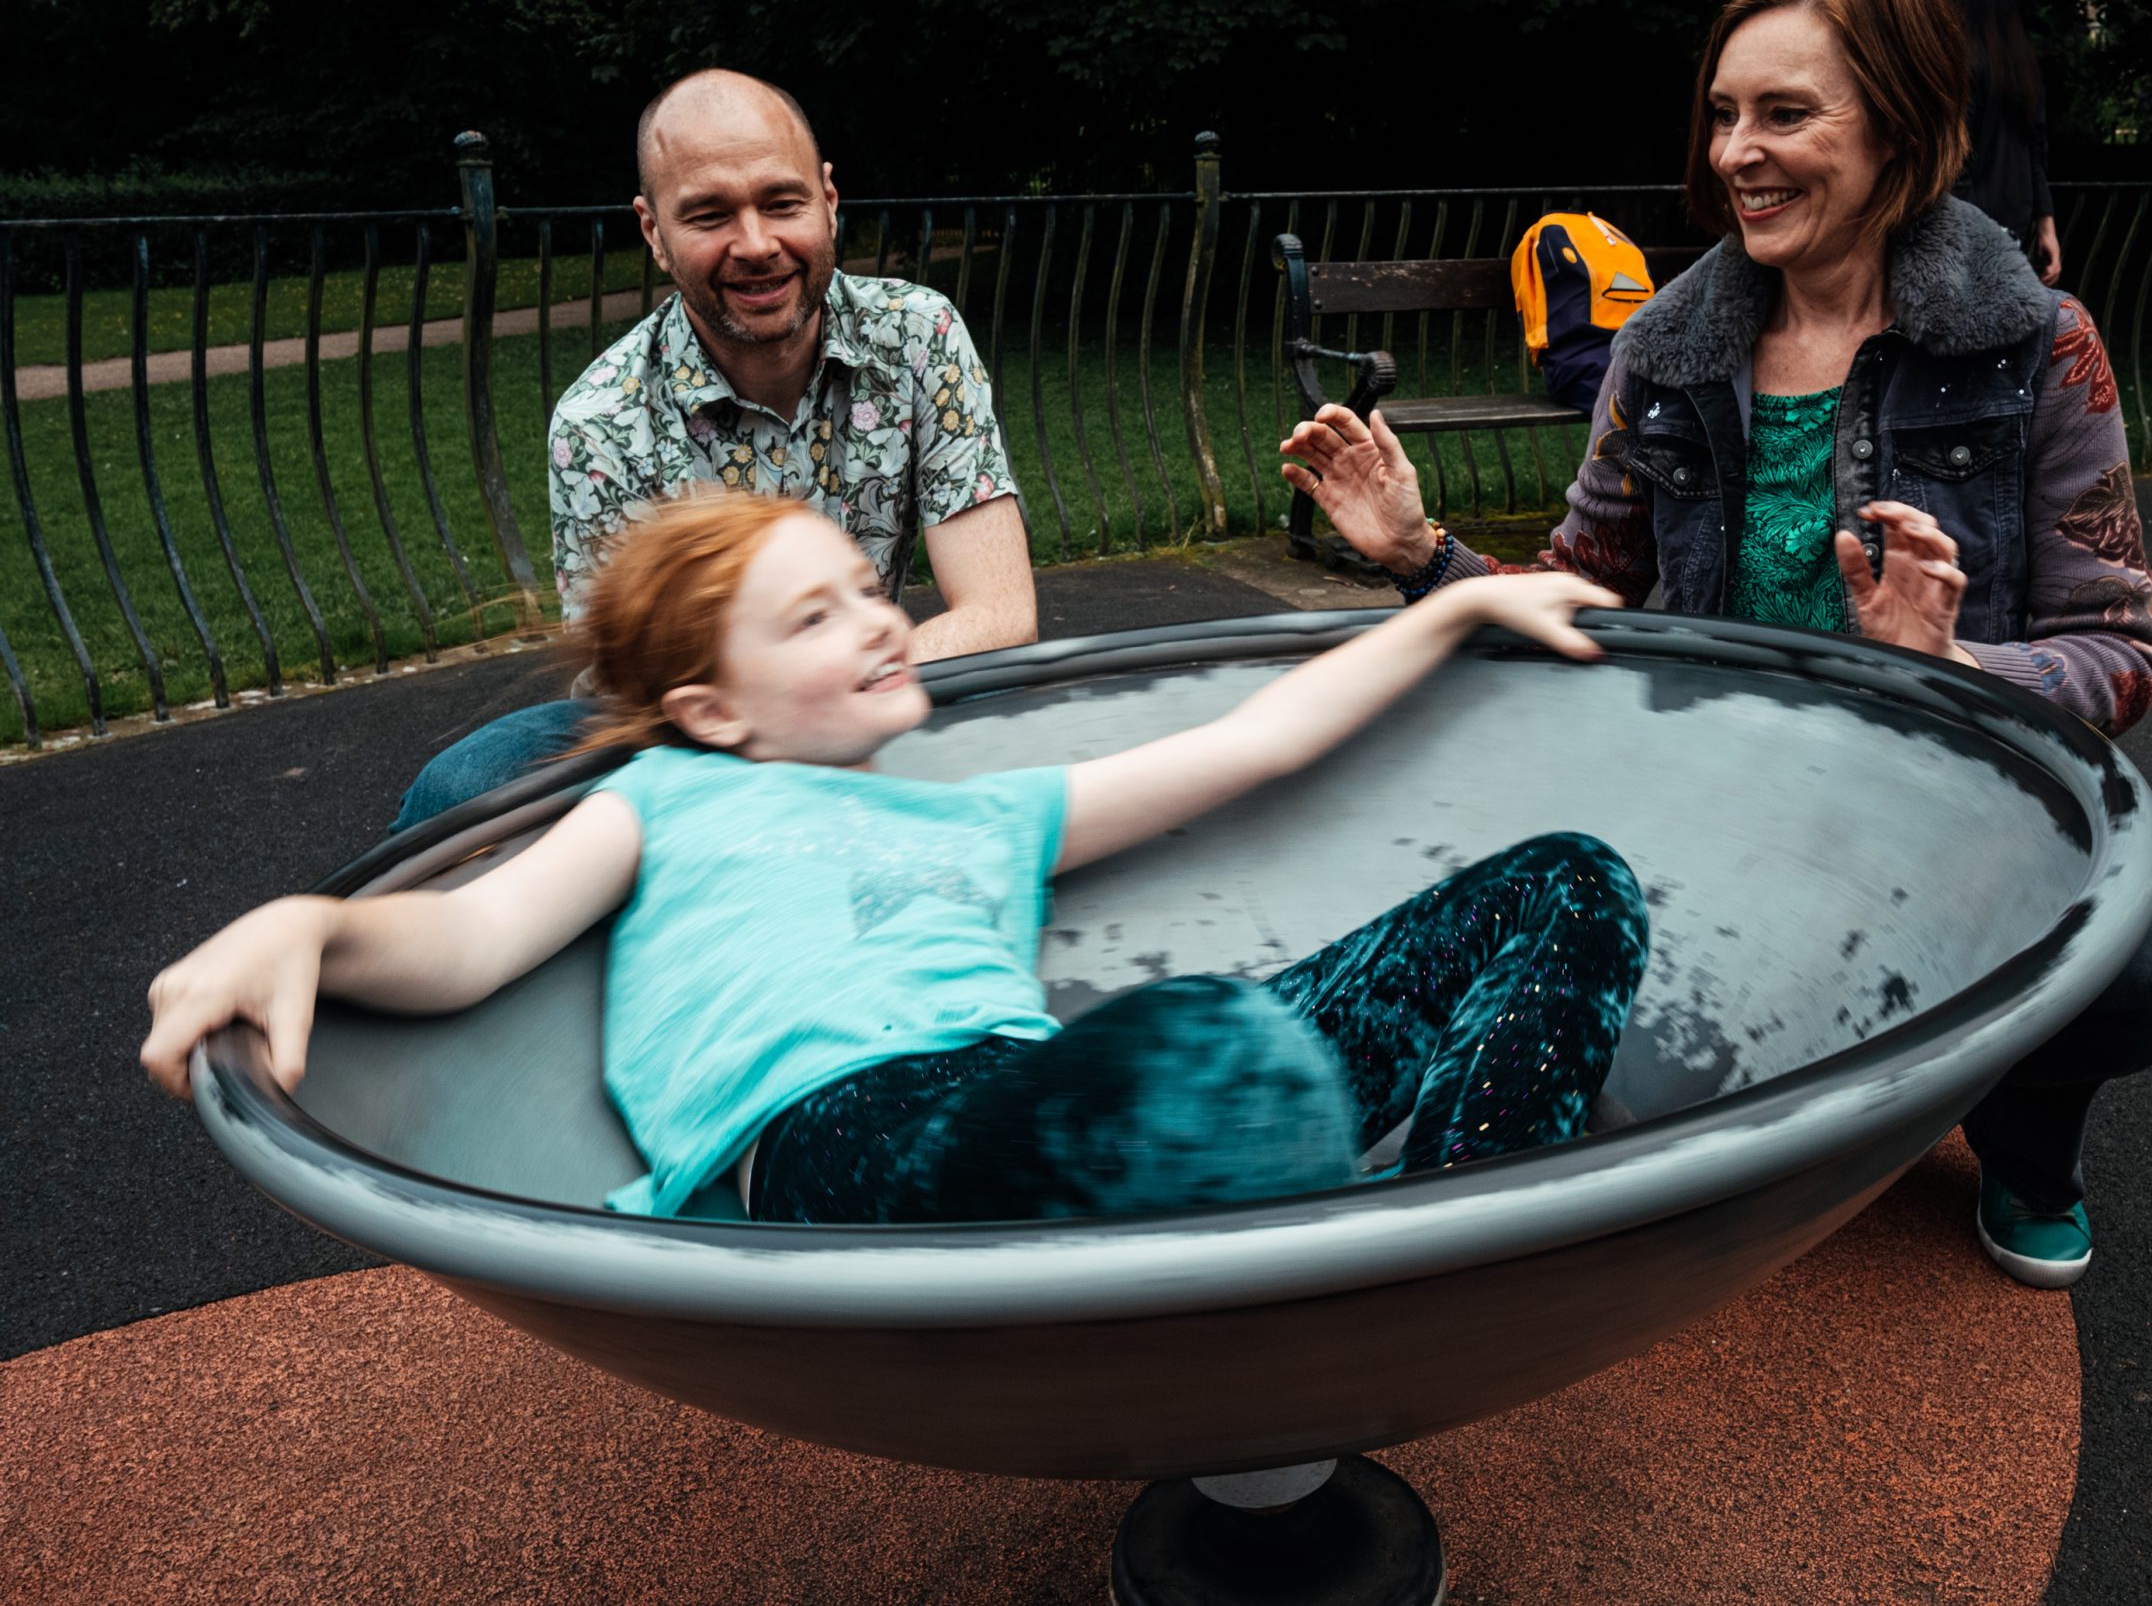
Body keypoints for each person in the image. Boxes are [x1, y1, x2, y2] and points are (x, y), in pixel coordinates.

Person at [1277, 0, 2152, 1289]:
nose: (1735, 153)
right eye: (1722, 114)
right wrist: (1424, 553)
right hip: (1726, 789)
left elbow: (2119, 652)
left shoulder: (2035, 343)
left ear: (1896, 124)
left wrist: (1951, 662)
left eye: (1783, 113)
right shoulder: (1664, 351)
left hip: (1938, 794)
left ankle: (2025, 1132)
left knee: (2138, 973)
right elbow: (1583, 605)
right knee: (1544, 957)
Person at [143, 492, 1648, 1225]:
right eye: (813, 616)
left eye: (869, 587)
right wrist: (310, 922)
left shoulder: (976, 814)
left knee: (1567, 879)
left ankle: (1461, 1226)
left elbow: (1252, 743)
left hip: (1031, 1089)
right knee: (1210, 1060)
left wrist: (1442, 609)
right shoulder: (668, 797)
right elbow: (471, 940)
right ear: (709, 706)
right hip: (837, 1132)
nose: (877, 618)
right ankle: (1267, 1173)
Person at [391, 68, 1039, 831]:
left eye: (782, 202)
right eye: (708, 215)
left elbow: (1000, 614)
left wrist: (843, 698)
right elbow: (638, 703)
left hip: (869, 677)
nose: (757, 245)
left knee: (1033, 716)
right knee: (461, 785)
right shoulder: (601, 422)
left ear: (829, 202)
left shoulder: (920, 336)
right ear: (654, 233)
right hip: (702, 735)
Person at [1952, 0, 2061, 285]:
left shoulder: (1964, 68)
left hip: (1969, 215)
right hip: (2015, 215)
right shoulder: (2025, 73)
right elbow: (2037, 154)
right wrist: (2046, 226)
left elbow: (1961, 151)